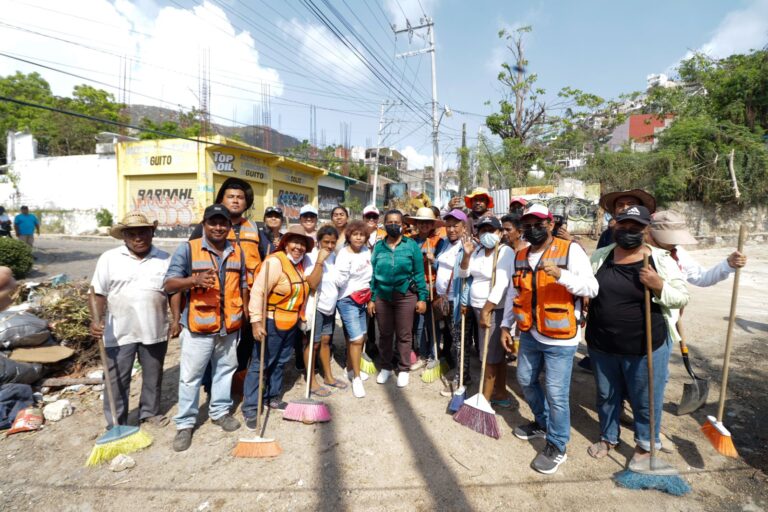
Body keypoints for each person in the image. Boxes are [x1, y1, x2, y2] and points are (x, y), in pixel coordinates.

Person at [585, 205, 689, 466]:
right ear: (615, 225)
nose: (628, 231)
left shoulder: (660, 260)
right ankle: (609, 437)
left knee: (645, 399)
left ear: (646, 230)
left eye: (636, 228)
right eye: (624, 225)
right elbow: (586, 285)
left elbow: (681, 297)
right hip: (602, 343)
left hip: (645, 345)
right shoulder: (601, 255)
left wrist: (658, 285)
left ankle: (645, 444)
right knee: (607, 396)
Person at [500, 204, 599, 475]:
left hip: (560, 337)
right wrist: (505, 325)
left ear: (550, 223)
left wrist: (561, 275)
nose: (533, 228)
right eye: (527, 223)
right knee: (525, 380)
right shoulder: (520, 255)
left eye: (538, 223)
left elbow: (592, 287)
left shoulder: (571, 250)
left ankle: (557, 445)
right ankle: (542, 423)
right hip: (529, 332)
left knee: (556, 394)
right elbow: (514, 293)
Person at [164, 205, 247, 451]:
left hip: (229, 326)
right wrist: (193, 280)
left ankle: (220, 412)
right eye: (213, 223)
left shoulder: (236, 252)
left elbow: (242, 283)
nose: (218, 227)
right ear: (204, 224)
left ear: (229, 227)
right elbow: (169, 284)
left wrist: (243, 313)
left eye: (223, 223)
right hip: (198, 327)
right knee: (190, 377)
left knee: (225, 371)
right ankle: (185, 424)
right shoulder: (188, 249)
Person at [89, 212, 172, 430]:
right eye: (132, 234)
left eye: (143, 232)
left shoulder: (165, 258)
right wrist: (95, 320)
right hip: (119, 330)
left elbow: (172, 292)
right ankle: (117, 422)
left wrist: (176, 319)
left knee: (153, 375)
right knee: (117, 379)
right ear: (124, 236)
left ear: (151, 232)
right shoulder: (109, 258)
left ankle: (150, 413)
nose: (138, 238)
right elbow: (97, 293)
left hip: (154, 327)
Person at [242, 226, 312, 426]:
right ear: (286, 243)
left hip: (290, 323)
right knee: (261, 364)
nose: (298, 247)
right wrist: (256, 321)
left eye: (302, 244)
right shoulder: (275, 262)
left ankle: (272, 397)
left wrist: (301, 317)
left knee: (280, 361)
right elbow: (258, 292)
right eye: (295, 242)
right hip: (271, 322)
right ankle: (251, 408)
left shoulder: (299, 265)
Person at [190, 178, 262, 373]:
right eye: (230, 196)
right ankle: (209, 383)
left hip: (249, 296)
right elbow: (191, 258)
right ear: (221, 200)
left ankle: (236, 383)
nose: (236, 200)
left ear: (247, 203)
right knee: (210, 345)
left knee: (243, 343)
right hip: (214, 297)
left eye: (240, 197)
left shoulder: (255, 228)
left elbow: (265, 260)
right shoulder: (205, 227)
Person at [458, 216, 514, 407]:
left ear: (500, 232)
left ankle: (484, 400)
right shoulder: (478, 251)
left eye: (491, 229)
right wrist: (466, 255)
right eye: (483, 230)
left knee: (489, 355)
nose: (487, 234)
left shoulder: (505, 252)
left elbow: (502, 284)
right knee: (495, 354)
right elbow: (463, 274)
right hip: (476, 305)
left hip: (493, 309)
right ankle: (500, 392)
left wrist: (486, 311)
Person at [369, 210, 428, 388]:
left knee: (404, 334)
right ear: (384, 224)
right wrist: (372, 298)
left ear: (403, 225)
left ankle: (403, 368)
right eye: (389, 222)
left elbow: (419, 273)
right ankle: (386, 367)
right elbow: (372, 274)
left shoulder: (411, 246)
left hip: (406, 295)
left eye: (397, 222)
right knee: (385, 334)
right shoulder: (378, 247)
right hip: (382, 296)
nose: (393, 225)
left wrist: (422, 298)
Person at [649, 210, 747, 289]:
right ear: (651, 234)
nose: (674, 243)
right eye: (669, 238)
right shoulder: (642, 255)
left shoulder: (678, 253)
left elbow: (702, 277)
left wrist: (728, 264)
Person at [304, 225, 346, 394]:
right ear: (318, 242)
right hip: (316, 305)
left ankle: (328, 377)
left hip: (330, 306)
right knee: (313, 344)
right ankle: (311, 381)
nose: (329, 246)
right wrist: (320, 261)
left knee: (326, 341)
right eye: (326, 242)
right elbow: (312, 284)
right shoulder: (311, 257)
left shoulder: (334, 258)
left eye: (333, 243)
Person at [434, 209, 472, 395]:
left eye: (455, 225)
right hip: (444, 300)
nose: (451, 229)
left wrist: (464, 300)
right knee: (453, 338)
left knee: (460, 342)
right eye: (448, 225)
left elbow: (468, 275)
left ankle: (462, 378)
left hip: (458, 301)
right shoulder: (445, 244)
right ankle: (462, 372)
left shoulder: (468, 246)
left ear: (464, 227)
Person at [334, 220, 373, 398]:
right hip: (348, 300)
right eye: (355, 234)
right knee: (357, 339)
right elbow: (339, 281)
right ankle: (356, 379)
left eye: (362, 234)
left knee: (359, 337)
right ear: (349, 235)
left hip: (363, 299)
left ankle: (350, 369)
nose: (358, 237)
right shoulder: (343, 254)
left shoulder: (366, 251)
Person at [404, 207, 447, 370]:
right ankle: (422, 355)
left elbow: (443, 265)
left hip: (433, 287)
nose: (424, 225)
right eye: (420, 222)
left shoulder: (439, 241)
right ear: (416, 224)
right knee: (419, 323)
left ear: (432, 224)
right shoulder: (410, 241)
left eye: (427, 223)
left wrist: (433, 260)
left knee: (433, 324)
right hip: (415, 287)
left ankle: (433, 354)